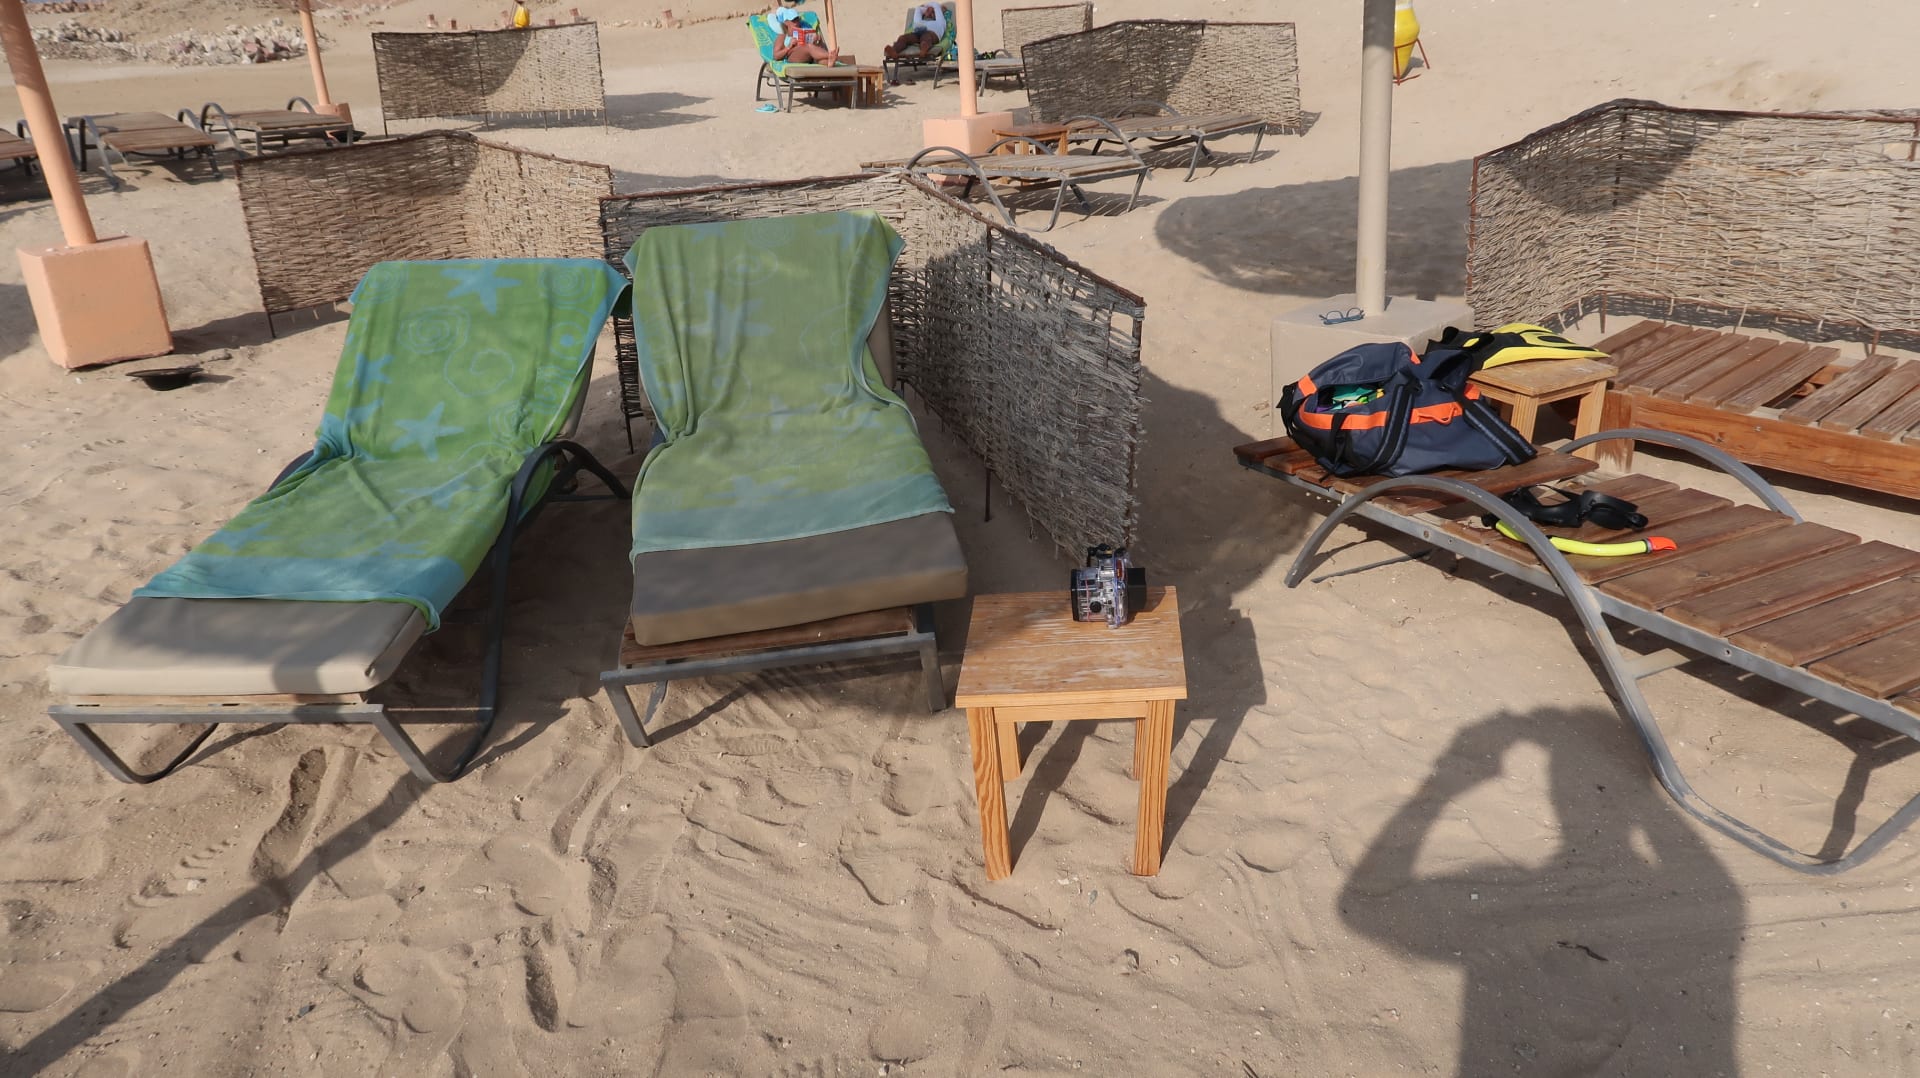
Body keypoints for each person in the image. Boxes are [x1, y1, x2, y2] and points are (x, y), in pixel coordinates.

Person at [770, 0, 837, 65]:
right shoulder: (783, 35)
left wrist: (818, 41)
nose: (796, 22)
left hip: (808, 55)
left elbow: (820, 47)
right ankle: (830, 55)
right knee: (809, 47)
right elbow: (776, 56)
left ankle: (829, 62)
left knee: (820, 58)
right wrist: (789, 47)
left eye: (797, 19)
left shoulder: (805, 28)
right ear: (786, 22)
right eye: (793, 20)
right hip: (793, 56)